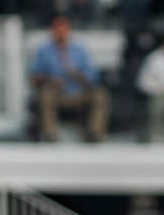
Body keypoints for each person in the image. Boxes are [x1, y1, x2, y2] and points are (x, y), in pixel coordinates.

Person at [30, 15, 110, 144]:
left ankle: (95, 133)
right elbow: (34, 76)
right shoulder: (44, 51)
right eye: (58, 30)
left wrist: (77, 74)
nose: (61, 33)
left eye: (64, 30)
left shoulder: (80, 51)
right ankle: (50, 134)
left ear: (69, 31)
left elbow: (93, 77)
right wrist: (50, 80)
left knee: (99, 95)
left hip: (78, 92)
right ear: (53, 31)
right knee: (45, 95)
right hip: (57, 94)